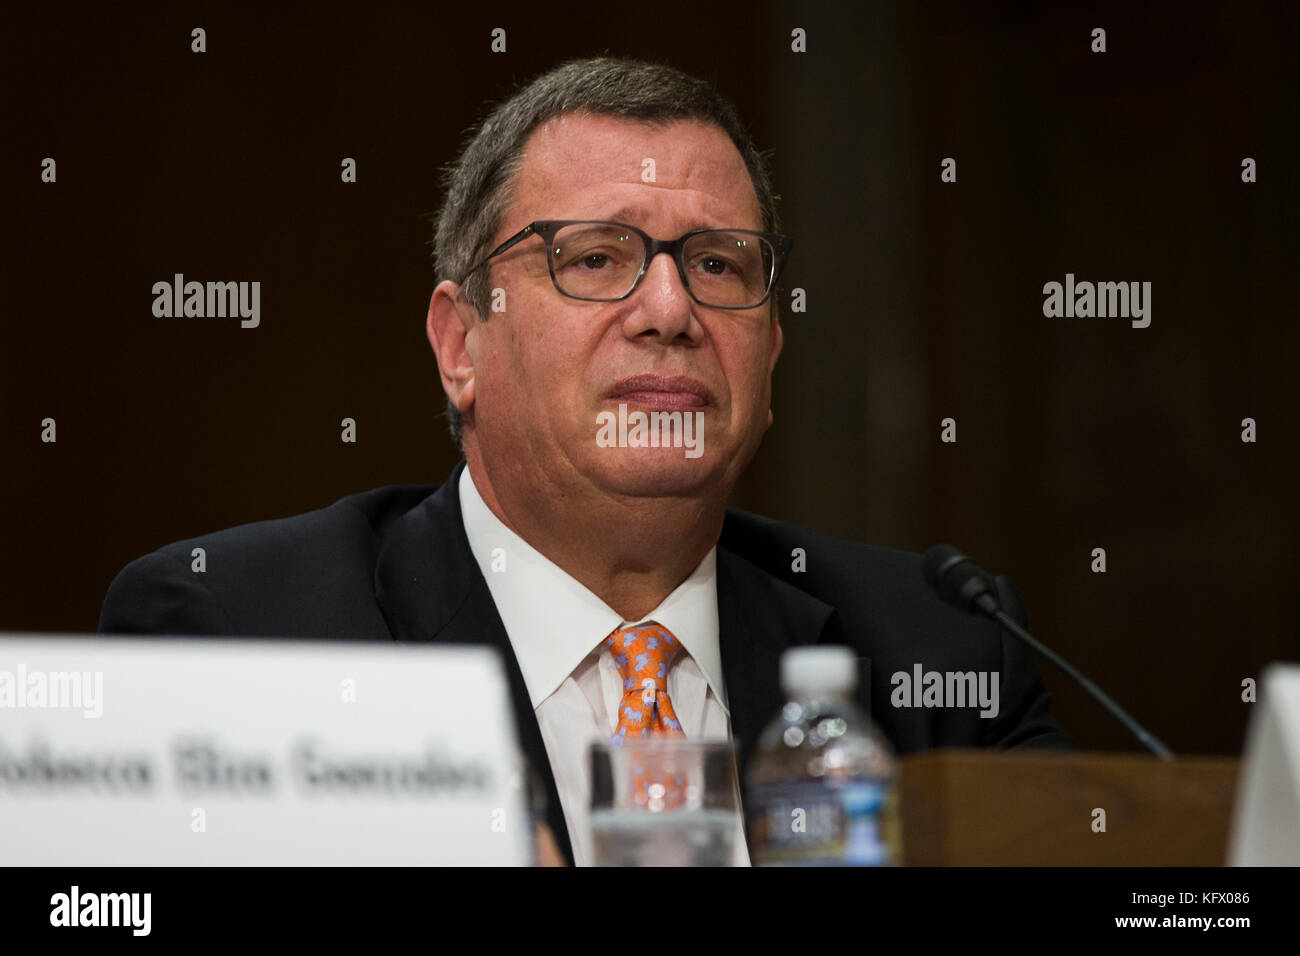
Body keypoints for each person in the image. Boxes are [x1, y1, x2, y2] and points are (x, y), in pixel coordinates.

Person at [100, 56, 1072, 866]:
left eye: (719, 263)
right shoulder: (245, 635)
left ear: (770, 356)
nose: (668, 310)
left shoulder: (939, 649)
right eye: (596, 258)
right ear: (461, 345)